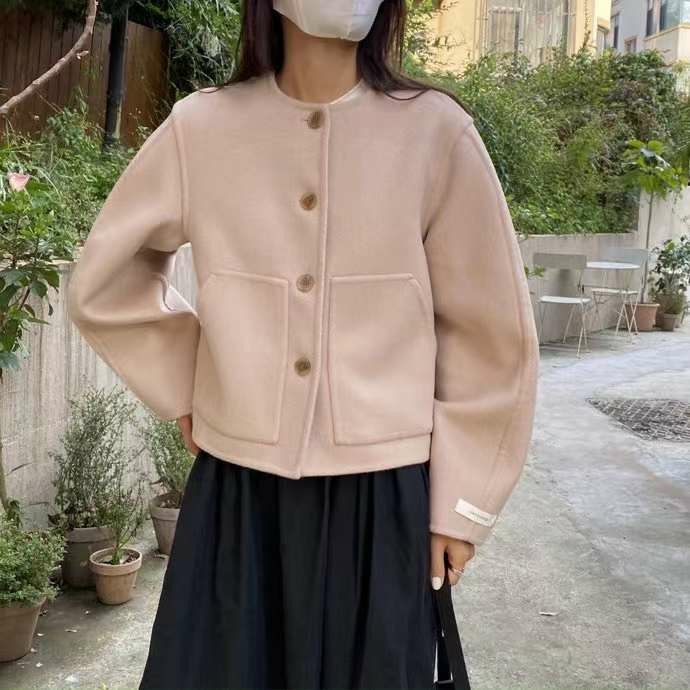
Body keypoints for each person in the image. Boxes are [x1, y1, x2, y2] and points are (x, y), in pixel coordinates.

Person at [67, 0, 540, 688]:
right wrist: (192, 383)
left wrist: (462, 505)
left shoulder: (436, 132)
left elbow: (491, 333)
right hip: (239, 495)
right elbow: (107, 279)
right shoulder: (203, 127)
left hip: (384, 501)